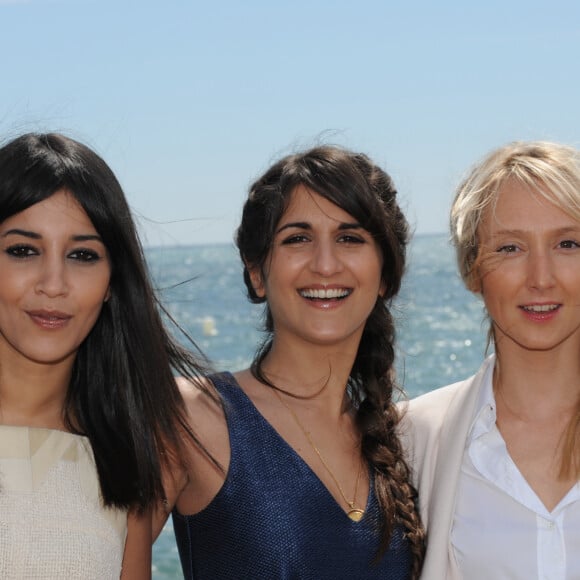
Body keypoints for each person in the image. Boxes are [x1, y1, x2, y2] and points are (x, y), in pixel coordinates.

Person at [157, 145, 425, 579]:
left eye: (350, 238)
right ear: (257, 272)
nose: (325, 264)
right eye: (297, 238)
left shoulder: (402, 442)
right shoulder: (191, 417)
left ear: (387, 275)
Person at [0, 132, 210, 579]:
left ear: (113, 281)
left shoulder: (128, 455)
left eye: (82, 255)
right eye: (23, 250)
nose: (53, 283)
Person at [400, 141, 580, 579]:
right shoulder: (412, 439)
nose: (541, 278)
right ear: (472, 270)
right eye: (510, 249)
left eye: (568, 243)